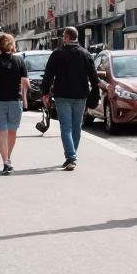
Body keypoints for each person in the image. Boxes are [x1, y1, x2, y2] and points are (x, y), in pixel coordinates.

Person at [40, 27, 99, 171]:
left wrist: (45, 92)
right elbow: (93, 76)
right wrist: (95, 91)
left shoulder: (57, 54)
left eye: (63, 37)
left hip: (62, 95)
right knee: (76, 126)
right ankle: (72, 155)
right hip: (81, 95)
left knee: (66, 127)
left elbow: (48, 74)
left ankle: (71, 156)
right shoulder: (85, 54)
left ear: (66, 38)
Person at [0, 33, 30, 175]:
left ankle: (5, 161)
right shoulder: (19, 60)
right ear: (12, 45)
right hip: (15, 100)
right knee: (12, 131)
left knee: (1, 132)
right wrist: (25, 98)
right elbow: (25, 83)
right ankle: (8, 157)